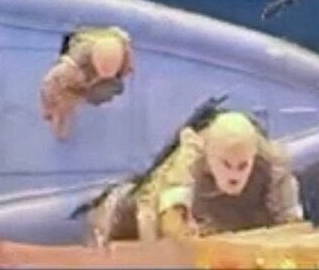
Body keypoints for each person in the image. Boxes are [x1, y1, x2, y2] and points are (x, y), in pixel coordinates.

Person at [74, 102, 302, 244]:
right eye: (226, 164)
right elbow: (168, 215)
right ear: (209, 155)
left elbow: (292, 228)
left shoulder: (274, 166)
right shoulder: (191, 155)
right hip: (129, 223)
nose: (234, 175)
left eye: (242, 166)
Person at [40, 26, 134, 140]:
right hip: (80, 65)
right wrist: (50, 108)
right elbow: (51, 82)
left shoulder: (120, 53)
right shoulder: (72, 68)